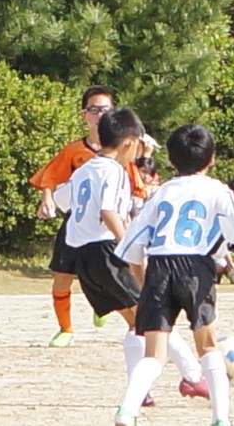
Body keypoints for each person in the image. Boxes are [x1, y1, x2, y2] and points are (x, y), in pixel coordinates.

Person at [114, 124, 234, 426]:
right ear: (211, 159)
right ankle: (221, 419)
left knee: (154, 355)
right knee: (208, 346)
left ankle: (127, 411)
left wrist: (145, 284)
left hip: (160, 266)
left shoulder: (161, 192)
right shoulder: (217, 190)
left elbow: (132, 247)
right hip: (195, 268)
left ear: (171, 161)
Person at [55, 109, 209, 408]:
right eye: (139, 144)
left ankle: (141, 390)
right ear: (128, 143)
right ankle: (193, 376)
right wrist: (129, 246)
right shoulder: (114, 171)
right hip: (106, 251)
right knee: (154, 317)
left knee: (136, 321)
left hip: (83, 257)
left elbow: (63, 201)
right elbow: (108, 211)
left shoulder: (85, 169)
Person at [29, 86, 146, 347]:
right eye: (94, 109)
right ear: (84, 115)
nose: (100, 114)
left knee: (133, 315)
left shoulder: (112, 161)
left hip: (90, 242)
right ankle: (67, 328)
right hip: (93, 235)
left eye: (105, 109)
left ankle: (142, 347)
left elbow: (129, 195)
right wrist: (47, 198)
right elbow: (54, 181)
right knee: (146, 314)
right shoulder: (81, 154)